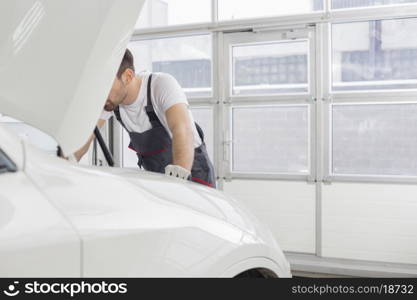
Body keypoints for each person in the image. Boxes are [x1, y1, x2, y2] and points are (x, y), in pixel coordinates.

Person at [72, 49, 216, 188]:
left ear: (127, 76)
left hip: (193, 175)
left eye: (105, 86)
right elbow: (87, 135)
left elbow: (182, 130)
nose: (101, 95)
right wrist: (68, 162)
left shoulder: (160, 85)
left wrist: (180, 171)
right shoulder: (110, 101)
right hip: (158, 180)